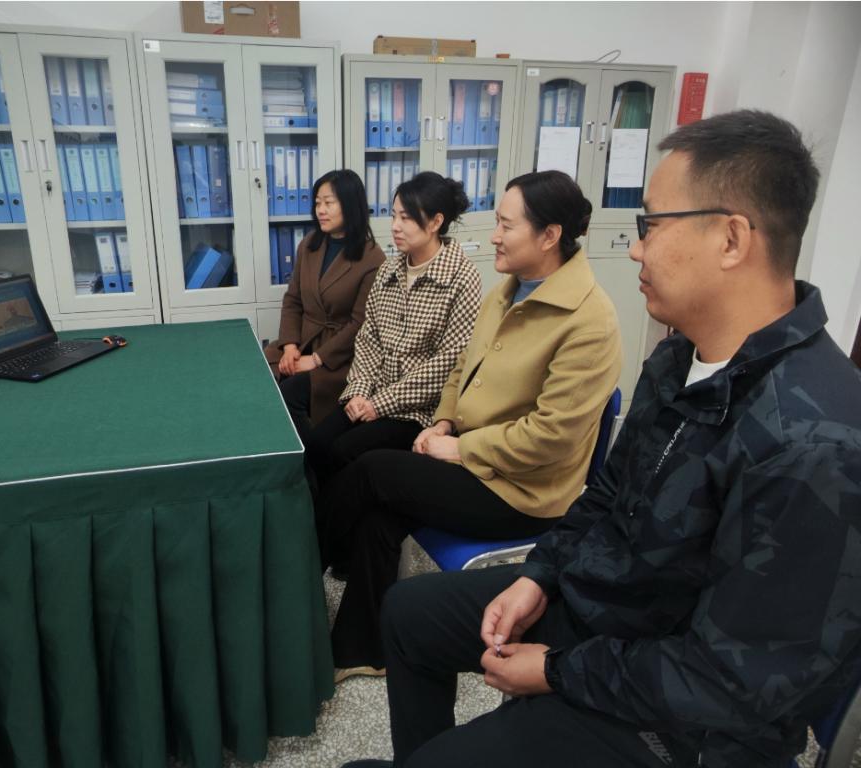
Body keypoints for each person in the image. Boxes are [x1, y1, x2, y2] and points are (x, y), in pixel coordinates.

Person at [343, 110, 861, 768]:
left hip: (679, 723)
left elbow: (732, 684)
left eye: (652, 225)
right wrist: (538, 577)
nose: (636, 249)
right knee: (409, 614)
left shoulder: (817, 441)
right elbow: (607, 494)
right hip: (604, 612)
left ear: (731, 239)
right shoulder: (680, 357)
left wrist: (555, 671)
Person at [323, 170, 622, 681]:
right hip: (475, 459)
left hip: (518, 491)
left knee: (371, 470)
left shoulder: (589, 321)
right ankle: (360, 648)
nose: (494, 236)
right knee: (377, 512)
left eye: (506, 225)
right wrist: (443, 422)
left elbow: (551, 437)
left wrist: (461, 449)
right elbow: (463, 368)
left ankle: (293, 579)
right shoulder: (508, 292)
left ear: (549, 236)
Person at [303, 171, 482, 496]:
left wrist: (379, 404)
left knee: (344, 452)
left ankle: (336, 520)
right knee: (315, 443)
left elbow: (447, 364)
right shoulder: (389, 269)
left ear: (436, 222)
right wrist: (359, 392)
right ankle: (324, 515)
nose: (395, 226)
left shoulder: (462, 277)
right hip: (370, 393)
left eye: (406, 218)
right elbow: (368, 337)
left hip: (416, 410)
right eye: (394, 215)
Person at [264, 170, 386, 438]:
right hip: (303, 341)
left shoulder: (372, 258)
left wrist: (317, 359)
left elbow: (359, 324)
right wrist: (290, 346)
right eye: (318, 202)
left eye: (329, 203)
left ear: (350, 205)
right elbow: (293, 299)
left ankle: (310, 459)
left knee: (290, 394)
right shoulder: (309, 244)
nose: (321, 210)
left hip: (341, 357)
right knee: (261, 378)